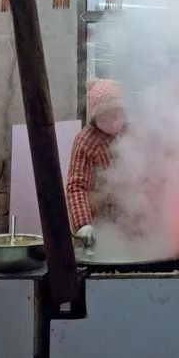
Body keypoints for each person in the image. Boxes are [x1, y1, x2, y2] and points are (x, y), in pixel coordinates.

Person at [66, 79, 126, 250]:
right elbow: (77, 186)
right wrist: (83, 224)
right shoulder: (85, 141)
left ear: (123, 112)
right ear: (94, 118)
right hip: (100, 220)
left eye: (115, 116)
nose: (110, 122)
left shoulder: (133, 132)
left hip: (132, 218)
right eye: (104, 118)